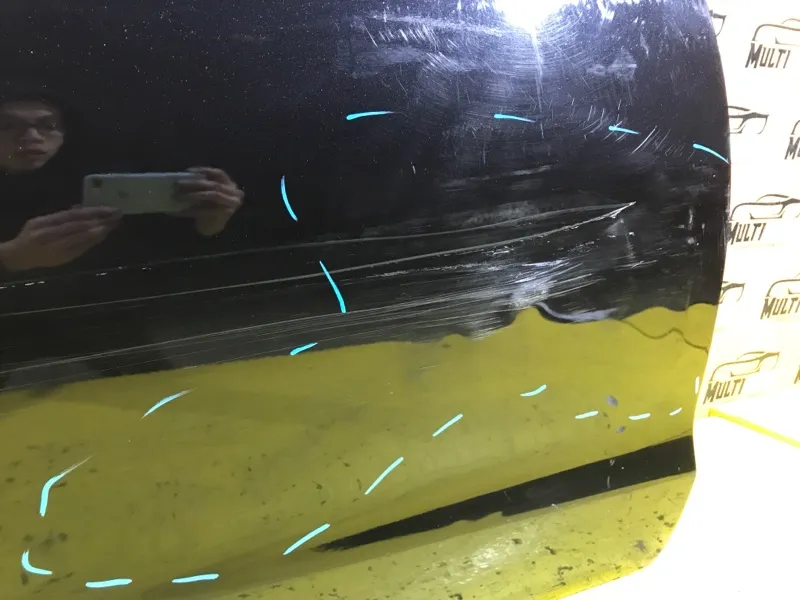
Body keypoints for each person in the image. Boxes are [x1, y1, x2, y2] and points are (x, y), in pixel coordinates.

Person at [0, 86, 244, 275]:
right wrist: (11, 257)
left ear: (65, 131)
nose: (31, 136)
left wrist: (211, 224)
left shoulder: (104, 180)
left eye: (48, 125)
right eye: (6, 125)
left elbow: (154, 260)